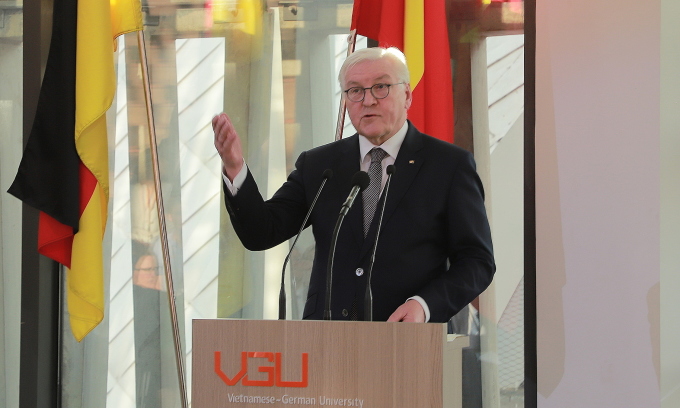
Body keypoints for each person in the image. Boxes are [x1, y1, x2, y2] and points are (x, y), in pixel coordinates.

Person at [212, 46, 495, 323]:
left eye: (381, 87)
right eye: (355, 90)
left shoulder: (447, 166)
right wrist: (235, 168)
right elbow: (261, 232)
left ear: (407, 95)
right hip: (326, 342)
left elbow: (476, 261)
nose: (368, 101)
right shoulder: (320, 165)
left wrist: (424, 305)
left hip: (407, 342)